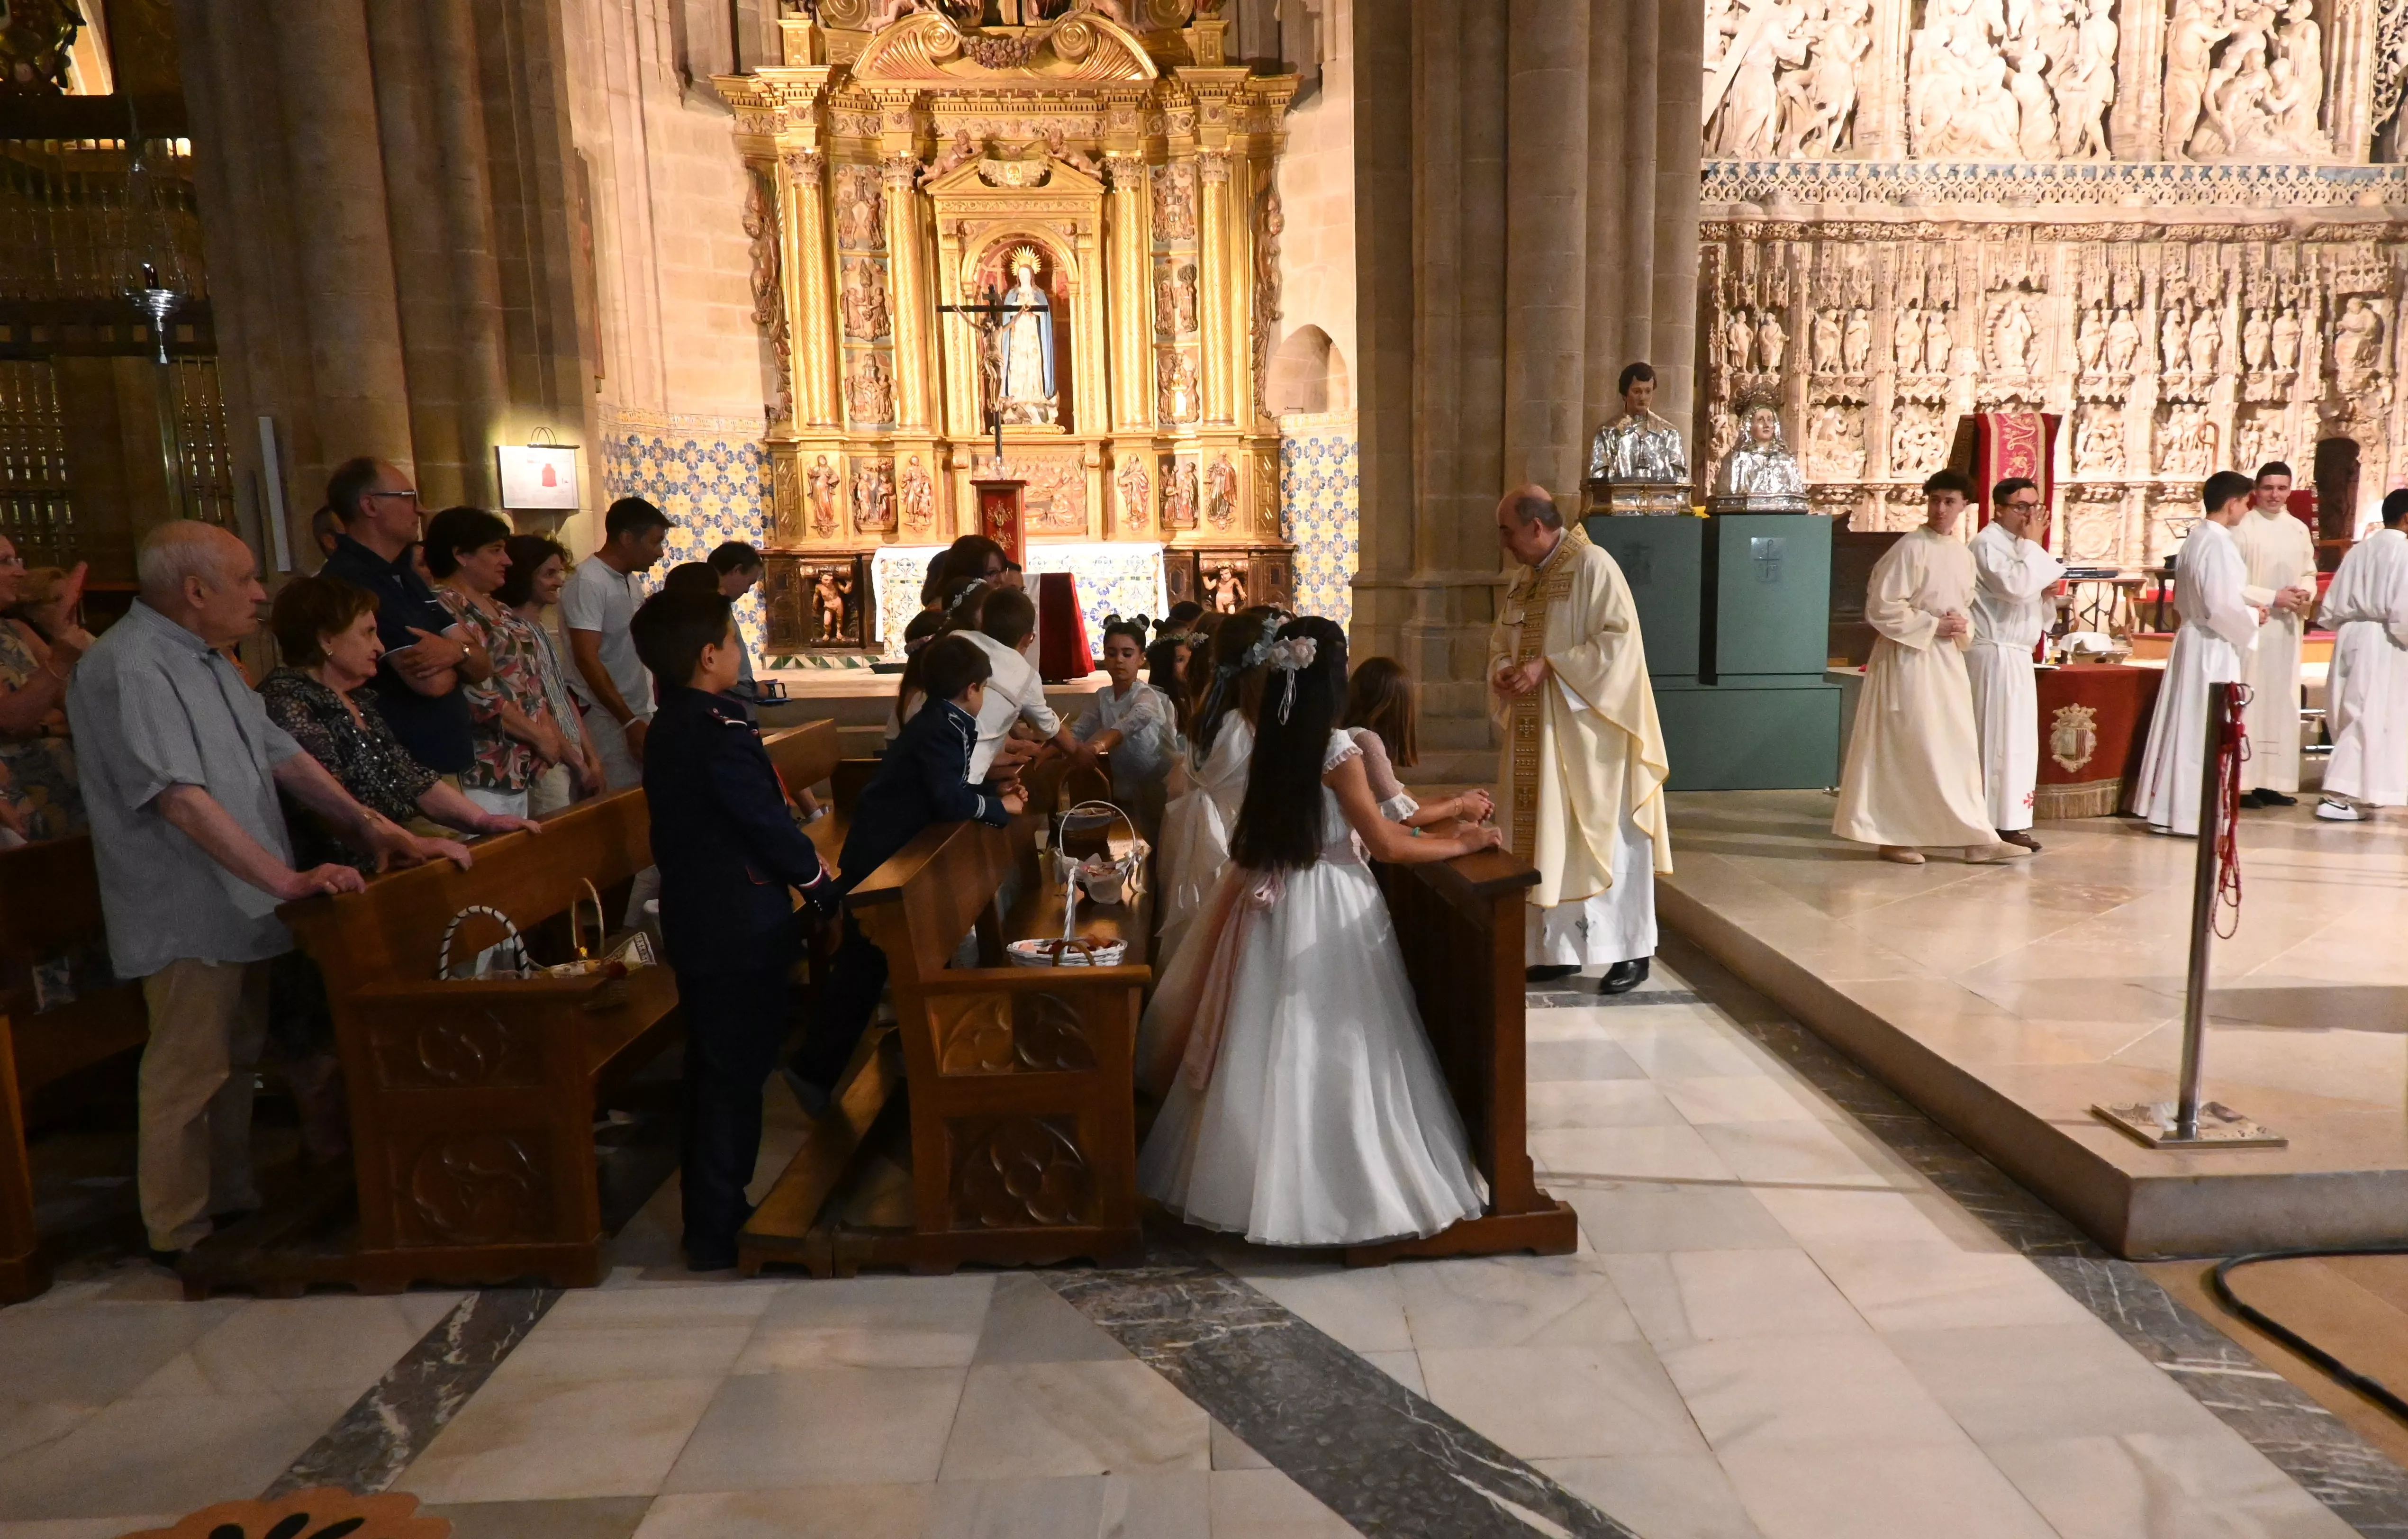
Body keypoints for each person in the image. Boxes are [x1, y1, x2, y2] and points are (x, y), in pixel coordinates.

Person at [68, 522, 468, 1261]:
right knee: (189, 1069)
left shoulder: (211, 661)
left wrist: (371, 826)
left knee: (236, 1057)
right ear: (195, 591)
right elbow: (179, 798)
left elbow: (282, 756)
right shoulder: (133, 667)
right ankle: (178, 1228)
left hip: (243, 898)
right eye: (247, 578)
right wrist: (286, 877)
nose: (261, 594)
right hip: (185, 905)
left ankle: (230, 1201)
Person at [1133, 617, 1499, 1247]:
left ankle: (1251, 1188)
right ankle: (1348, 1192)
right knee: (1342, 1043)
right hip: (1329, 903)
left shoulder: (1272, 738)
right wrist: (1457, 841)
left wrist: (1439, 829)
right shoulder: (1337, 750)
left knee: (1266, 1044)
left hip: (1273, 900)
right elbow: (1383, 842)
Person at [258, 575, 535, 1160]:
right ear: (326, 640)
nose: (379, 647)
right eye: (365, 633)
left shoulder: (356, 702)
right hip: (327, 878)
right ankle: (336, 1156)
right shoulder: (287, 703)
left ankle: (392, 1140)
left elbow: (411, 777)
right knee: (322, 1027)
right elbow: (328, 798)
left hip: (377, 869)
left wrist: (481, 822)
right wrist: (411, 841)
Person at [634, 587, 837, 1269]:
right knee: (733, 1073)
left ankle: (715, 1213)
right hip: (737, 926)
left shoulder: (674, 723)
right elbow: (763, 821)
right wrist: (816, 883)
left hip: (703, 920)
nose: (743, 654)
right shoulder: (718, 730)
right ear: (708, 655)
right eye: (736, 642)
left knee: (718, 1070)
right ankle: (716, 1226)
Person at [795, 634, 1023, 1110]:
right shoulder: (944, 725)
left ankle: (845, 1063)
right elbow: (945, 797)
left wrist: (988, 786)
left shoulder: (943, 718)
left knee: (872, 961)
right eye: (984, 689)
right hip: (881, 859)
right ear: (973, 688)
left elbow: (945, 785)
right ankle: (812, 1071)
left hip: (894, 855)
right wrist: (999, 807)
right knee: (863, 963)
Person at [1488, 486, 1674, 993]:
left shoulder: (1594, 566)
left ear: (1536, 527)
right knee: (1548, 838)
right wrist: (1504, 669)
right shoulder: (1524, 580)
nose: (1502, 541)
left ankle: (1629, 950)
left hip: (1594, 740)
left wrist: (1549, 665)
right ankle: (1558, 949)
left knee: (1604, 838)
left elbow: (1620, 643)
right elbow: (1501, 640)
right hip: (1540, 736)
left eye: (1507, 530)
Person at [1834, 471, 2033, 865]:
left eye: (1949, 502)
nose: (1940, 509)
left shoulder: (1961, 554)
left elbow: (1965, 608)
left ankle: (1976, 837)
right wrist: (1932, 625)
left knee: (1955, 748)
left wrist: (1962, 626)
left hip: (1945, 661)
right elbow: (1882, 607)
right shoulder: (1910, 548)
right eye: (1934, 500)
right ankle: (1893, 835)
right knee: (1910, 745)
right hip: (1907, 659)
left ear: (1965, 506)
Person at [319, 458, 490, 777]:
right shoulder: (350, 581)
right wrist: (462, 654)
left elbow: (482, 664)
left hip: (445, 764)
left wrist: (454, 652)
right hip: (406, 772)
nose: (421, 510)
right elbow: (432, 682)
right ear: (370, 505)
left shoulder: (405, 573)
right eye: (408, 497)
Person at [2135, 471, 2265, 836]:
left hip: (2194, 639)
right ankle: (2190, 815)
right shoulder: (2219, 543)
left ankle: (2170, 810)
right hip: (2211, 645)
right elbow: (2221, 606)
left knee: (2187, 722)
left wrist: (2252, 607)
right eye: (2246, 502)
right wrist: (2255, 616)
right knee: (2201, 727)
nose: (2246, 510)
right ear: (2232, 503)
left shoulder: (2197, 537)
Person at [427, 507, 570, 820]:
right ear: (461, 555)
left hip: (524, 767)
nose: (507, 560)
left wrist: (545, 733)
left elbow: (531, 682)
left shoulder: (499, 608)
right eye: (495, 551)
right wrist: (537, 736)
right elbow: (474, 693)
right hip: (482, 769)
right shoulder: (443, 607)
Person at [1155, 610, 1276, 967]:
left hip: (1204, 833)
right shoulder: (1251, 726)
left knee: (1200, 937)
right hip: (1241, 836)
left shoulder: (1210, 716)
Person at [1969, 477, 2066, 851]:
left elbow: (2029, 594)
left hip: (2017, 655)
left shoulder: (2018, 546)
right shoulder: (1986, 544)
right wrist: (2032, 547)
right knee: (1995, 740)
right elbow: (2013, 587)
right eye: (2021, 507)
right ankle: (1989, 822)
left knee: (2017, 743)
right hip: (1994, 655)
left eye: (2034, 506)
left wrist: (2044, 593)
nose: (2030, 515)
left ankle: (2010, 819)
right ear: (1999, 509)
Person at [563, 496, 672, 785]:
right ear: (626, 538)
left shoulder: (629, 579)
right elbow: (587, 658)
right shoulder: (589, 581)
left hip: (637, 710)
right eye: (655, 542)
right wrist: (628, 721)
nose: (660, 553)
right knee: (616, 803)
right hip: (607, 717)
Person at [2316, 490, 2408, 821]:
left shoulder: (2360, 550)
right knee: (2368, 716)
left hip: (2351, 633)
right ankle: (2337, 796)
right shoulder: (2404, 552)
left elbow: (2332, 604)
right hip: (2382, 640)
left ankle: (2369, 788)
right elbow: (2404, 611)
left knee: (2354, 711)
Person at [498, 534, 607, 816]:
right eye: (549, 574)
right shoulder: (510, 630)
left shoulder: (540, 630)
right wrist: (578, 763)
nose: (559, 581)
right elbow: (537, 705)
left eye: (559, 573)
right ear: (524, 574)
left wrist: (591, 757)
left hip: (569, 755)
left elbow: (561, 697)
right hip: (548, 760)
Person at [2230, 461, 2318, 807]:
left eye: (2282, 488)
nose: (2275, 495)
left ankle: (2273, 781)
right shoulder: (2243, 527)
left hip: (2286, 628)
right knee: (2253, 700)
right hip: (2256, 627)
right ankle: (2244, 783)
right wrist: (2271, 597)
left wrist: (2304, 593)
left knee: (2282, 702)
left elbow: (2309, 570)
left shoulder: (2297, 529)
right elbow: (2232, 583)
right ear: (2256, 490)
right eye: (2269, 488)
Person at [0, 538, 90, 840]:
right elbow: (10, 719)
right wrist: (60, 660)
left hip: (69, 780)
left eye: (18, 561)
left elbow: (80, 708)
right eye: (5, 562)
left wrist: (43, 724)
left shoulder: (18, 630)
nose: (21, 573)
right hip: (19, 797)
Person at [1343, 655, 1495, 829]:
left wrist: (1459, 798)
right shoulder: (1364, 739)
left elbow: (1408, 801)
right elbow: (1405, 816)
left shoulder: (1354, 734)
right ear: (1396, 707)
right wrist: (1460, 805)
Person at [963, 588, 1083, 781]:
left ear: (981, 623)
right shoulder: (1025, 676)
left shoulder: (958, 638)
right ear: (1029, 638)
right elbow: (1050, 730)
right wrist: (1079, 753)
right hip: (966, 776)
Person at [1073, 616, 1179, 834]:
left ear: (1141, 658)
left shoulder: (1147, 696)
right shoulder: (1102, 697)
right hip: (1131, 787)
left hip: (1165, 784)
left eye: (1127, 654)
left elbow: (1132, 722)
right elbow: (1079, 730)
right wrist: (1045, 749)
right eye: (1112, 654)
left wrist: (1098, 746)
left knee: (1165, 846)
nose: (1119, 660)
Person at [706, 541, 768, 701]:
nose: (748, 590)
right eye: (750, 582)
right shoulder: (710, 611)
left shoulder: (720, 606)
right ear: (737, 570)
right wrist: (753, 690)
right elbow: (717, 672)